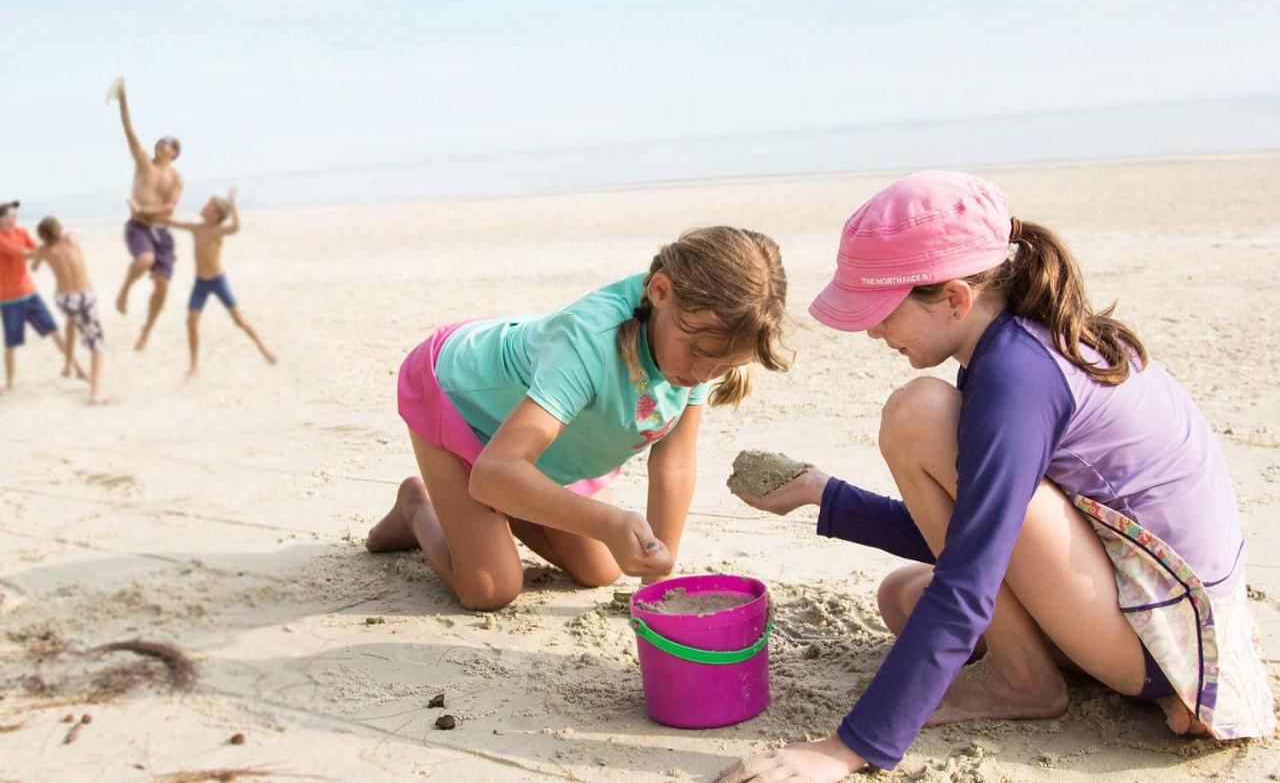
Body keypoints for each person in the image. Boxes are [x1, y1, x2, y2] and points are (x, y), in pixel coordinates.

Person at [719, 171, 1275, 782]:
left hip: (1166, 642)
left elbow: (970, 573)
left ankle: (1023, 682)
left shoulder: (1017, 377)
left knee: (917, 415)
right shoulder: (1019, 341)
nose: (873, 332)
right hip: (1141, 608)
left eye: (881, 313)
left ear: (957, 297)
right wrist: (821, 496)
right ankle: (1037, 669)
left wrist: (846, 749)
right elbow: (983, 526)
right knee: (902, 597)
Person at [366, 226, 791, 610]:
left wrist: (658, 578)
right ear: (660, 291)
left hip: (535, 448)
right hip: (459, 399)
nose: (702, 376)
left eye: (722, 366)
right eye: (698, 355)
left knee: (602, 569)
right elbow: (494, 471)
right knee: (490, 589)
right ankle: (418, 504)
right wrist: (608, 522)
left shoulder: (700, 341)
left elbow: (674, 462)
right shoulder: (587, 343)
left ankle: (505, 504)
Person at [159, 188, 276, 378]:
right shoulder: (196, 228)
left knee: (238, 320)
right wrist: (148, 213)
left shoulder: (217, 230)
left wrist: (233, 206)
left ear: (215, 215)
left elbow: (235, 227)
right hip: (200, 283)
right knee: (191, 322)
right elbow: (172, 222)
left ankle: (264, 349)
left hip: (217, 281)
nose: (203, 207)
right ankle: (194, 365)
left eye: (208, 206)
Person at [108, 77, 183, 351]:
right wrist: (123, 100)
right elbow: (130, 130)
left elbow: (169, 208)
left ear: (174, 152)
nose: (159, 144)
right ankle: (124, 292)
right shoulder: (143, 162)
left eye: (165, 143)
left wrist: (143, 208)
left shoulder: (176, 178)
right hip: (138, 228)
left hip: (161, 232)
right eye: (159, 141)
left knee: (162, 287)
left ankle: (146, 331)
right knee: (144, 259)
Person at [0, 200, 83, 394]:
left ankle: (78, 369)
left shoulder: (21, 232)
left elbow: (37, 248)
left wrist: (57, 242)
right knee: (11, 344)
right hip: (8, 299)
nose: (13, 218)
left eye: (14, 215)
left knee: (55, 331)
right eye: (8, 215)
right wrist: (54, 244)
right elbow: (24, 254)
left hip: (30, 294)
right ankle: (10, 384)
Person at [32, 217, 109, 404]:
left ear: (42, 236)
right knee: (97, 346)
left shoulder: (44, 250)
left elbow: (34, 268)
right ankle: (96, 394)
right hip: (83, 298)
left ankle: (68, 365)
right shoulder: (71, 239)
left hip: (63, 299)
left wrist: (41, 251)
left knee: (71, 322)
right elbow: (67, 231)